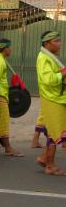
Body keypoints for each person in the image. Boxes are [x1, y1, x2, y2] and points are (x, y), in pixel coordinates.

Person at [0, 39, 24, 157]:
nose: (10, 50)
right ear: (5, 48)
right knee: (2, 124)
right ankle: (7, 148)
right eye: (9, 47)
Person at [35, 31, 66, 176]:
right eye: (56, 41)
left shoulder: (49, 57)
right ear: (47, 43)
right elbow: (49, 80)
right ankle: (50, 166)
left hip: (57, 98)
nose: (60, 43)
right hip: (52, 99)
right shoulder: (43, 58)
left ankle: (44, 158)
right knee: (55, 134)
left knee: (55, 132)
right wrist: (63, 74)